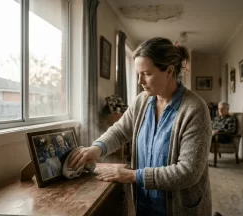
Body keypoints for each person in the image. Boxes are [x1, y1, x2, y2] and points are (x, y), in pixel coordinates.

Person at [68, 37, 212, 216]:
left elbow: (188, 172)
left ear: (169, 71)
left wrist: (134, 176)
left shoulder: (195, 109)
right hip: (145, 204)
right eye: (138, 74)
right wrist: (97, 148)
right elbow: (121, 131)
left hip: (179, 210)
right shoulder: (142, 101)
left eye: (147, 74)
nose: (140, 81)